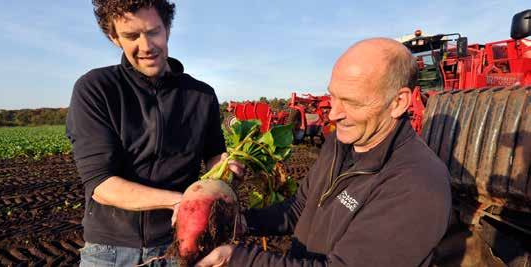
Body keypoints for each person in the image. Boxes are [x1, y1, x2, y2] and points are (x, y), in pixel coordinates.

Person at [195, 38, 452, 267]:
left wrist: (237, 259)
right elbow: (298, 210)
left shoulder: (417, 185)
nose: (333, 114)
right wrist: (239, 222)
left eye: (351, 102)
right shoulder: (339, 144)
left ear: (398, 102)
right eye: (334, 97)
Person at [65, 1, 241, 266]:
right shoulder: (96, 89)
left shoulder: (201, 95)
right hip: (110, 252)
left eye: (153, 32)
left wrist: (227, 169)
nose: (146, 46)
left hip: (180, 244)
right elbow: (101, 184)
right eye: (131, 36)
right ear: (114, 38)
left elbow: (214, 154)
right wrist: (182, 203)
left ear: (168, 29)